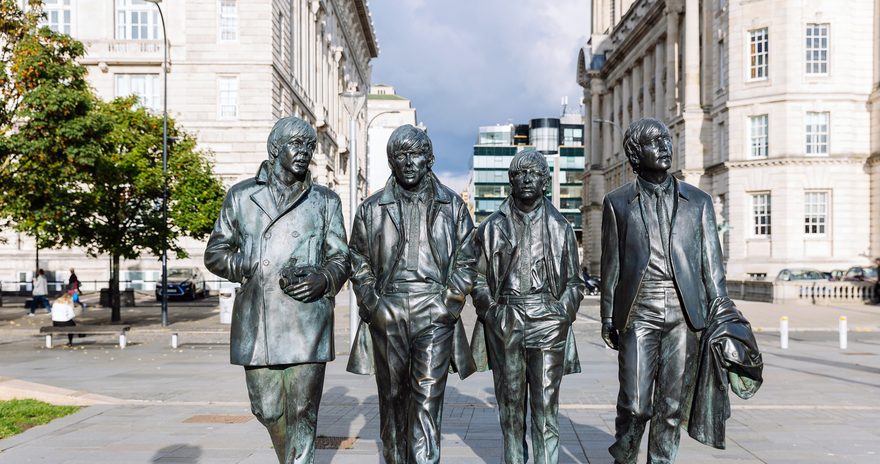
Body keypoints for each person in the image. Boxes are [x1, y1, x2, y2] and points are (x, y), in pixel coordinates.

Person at [600, 118, 754, 463]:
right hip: (639, 308)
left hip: (685, 313)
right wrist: (608, 316)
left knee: (670, 406)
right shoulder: (618, 202)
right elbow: (611, 265)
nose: (665, 147)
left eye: (667, 140)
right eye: (655, 142)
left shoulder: (698, 201)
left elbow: (712, 267)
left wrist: (723, 315)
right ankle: (623, 455)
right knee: (636, 404)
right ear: (636, 154)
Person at [204, 116, 350, 464]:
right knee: (267, 409)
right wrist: (247, 265)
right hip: (258, 321)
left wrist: (325, 278)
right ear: (275, 148)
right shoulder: (241, 197)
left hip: (307, 318)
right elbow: (215, 253)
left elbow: (342, 257)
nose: (305, 152)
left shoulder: (325, 201)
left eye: (310, 146)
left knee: (303, 411)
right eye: (297, 144)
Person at [347, 124, 477, 464]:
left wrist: (449, 305)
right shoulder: (372, 208)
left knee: (427, 398)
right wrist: (373, 303)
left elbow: (468, 259)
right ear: (391, 161)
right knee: (392, 400)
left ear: (429, 159)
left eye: (415, 154)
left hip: (434, 309)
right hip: (388, 309)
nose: (408, 162)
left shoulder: (453, 206)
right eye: (400, 155)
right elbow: (357, 258)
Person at [470, 148, 585, 464]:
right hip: (507, 319)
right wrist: (491, 312)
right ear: (510, 181)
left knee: (546, 409)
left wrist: (562, 314)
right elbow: (476, 278)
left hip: (547, 320)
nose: (526, 179)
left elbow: (575, 283)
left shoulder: (560, 227)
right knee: (510, 410)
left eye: (533, 173)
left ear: (545, 181)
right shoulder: (492, 227)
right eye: (519, 173)